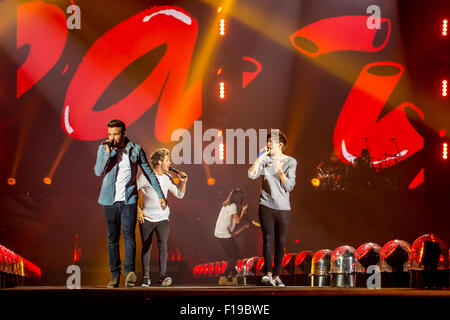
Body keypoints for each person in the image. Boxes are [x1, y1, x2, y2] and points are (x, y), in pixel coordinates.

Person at [94, 119, 167, 288]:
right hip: (108, 201)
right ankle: (114, 276)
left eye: (116, 134)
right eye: (110, 134)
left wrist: (160, 195)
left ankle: (129, 274)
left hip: (129, 200)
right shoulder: (103, 148)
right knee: (112, 239)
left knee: (129, 237)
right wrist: (107, 153)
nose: (112, 137)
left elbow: (149, 173)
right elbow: (98, 171)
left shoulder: (135, 150)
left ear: (124, 133)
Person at [248, 129, 297, 287]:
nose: (268, 144)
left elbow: (289, 186)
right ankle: (268, 274)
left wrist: (279, 169)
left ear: (280, 145)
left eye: (271, 142)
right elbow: (251, 174)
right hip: (266, 205)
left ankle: (277, 275)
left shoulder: (291, 161)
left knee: (280, 241)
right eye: (267, 141)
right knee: (268, 239)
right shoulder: (264, 159)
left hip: (283, 208)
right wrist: (259, 157)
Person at [137, 148, 187, 287]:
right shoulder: (146, 176)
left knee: (163, 246)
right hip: (146, 218)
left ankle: (162, 276)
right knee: (146, 247)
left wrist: (183, 182)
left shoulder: (167, 177)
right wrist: (138, 210)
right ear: (159, 162)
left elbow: (179, 195)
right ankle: (146, 278)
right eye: (167, 160)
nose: (169, 162)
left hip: (163, 218)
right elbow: (131, 192)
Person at [214, 189, 248, 286]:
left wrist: (243, 227)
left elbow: (233, 228)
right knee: (234, 256)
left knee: (231, 257)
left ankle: (234, 277)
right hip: (223, 233)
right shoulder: (232, 206)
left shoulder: (227, 205)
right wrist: (244, 211)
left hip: (220, 233)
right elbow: (237, 221)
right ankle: (223, 277)